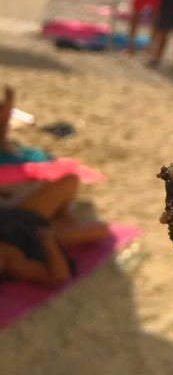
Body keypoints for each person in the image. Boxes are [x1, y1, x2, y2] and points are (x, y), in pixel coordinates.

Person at [0, 88, 110, 285]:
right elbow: (59, 276)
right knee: (100, 230)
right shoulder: (14, 263)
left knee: (70, 180)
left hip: (21, 214)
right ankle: (61, 220)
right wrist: (48, 241)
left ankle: (61, 216)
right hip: (37, 233)